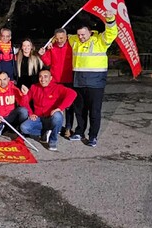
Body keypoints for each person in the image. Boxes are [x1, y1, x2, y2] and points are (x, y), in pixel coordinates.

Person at [68, 12, 118, 147]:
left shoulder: (100, 40)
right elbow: (62, 37)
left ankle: (93, 136)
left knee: (94, 111)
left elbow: (112, 33)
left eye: (83, 34)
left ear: (90, 32)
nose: (81, 37)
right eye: (78, 34)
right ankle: (79, 132)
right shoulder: (74, 40)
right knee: (80, 110)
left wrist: (110, 19)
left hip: (95, 83)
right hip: (78, 81)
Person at [20, 69, 77, 151]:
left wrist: (60, 108)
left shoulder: (57, 88)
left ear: (51, 78)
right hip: (38, 118)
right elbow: (24, 103)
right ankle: (46, 132)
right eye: (40, 77)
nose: (43, 79)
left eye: (45, 77)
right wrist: (30, 112)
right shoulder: (34, 87)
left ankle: (53, 140)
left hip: (51, 118)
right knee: (24, 128)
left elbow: (73, 93)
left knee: (57, 116)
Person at [38, 28, 74, 137]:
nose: (59, 40)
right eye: (57, 38)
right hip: (55, 81)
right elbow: (47, 62)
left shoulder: (72, 47)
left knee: (68, 106)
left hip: (68, 79)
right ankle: (54, 126)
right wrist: (42, 55)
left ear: (66, 37)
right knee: (53, 104)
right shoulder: (52, 47)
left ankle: (68, 127)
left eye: (61, 38)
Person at [0, 71, 28, 137]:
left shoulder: (14, 88)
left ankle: (16, 128)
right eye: (0, 80)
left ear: (8, 79)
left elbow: (22, 104)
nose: (2, 82)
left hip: (10, 115)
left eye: (4, 79)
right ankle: (1, 126)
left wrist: (24, 95)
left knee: (23, 111)